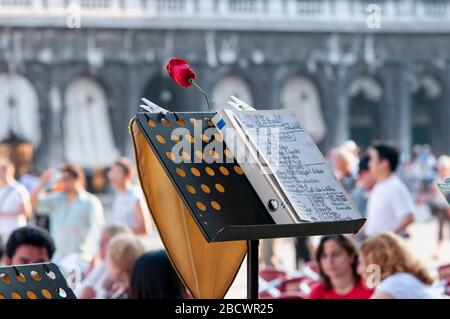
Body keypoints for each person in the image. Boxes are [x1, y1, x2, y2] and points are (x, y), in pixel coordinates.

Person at [30, 164, 105, 263]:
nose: (63, 182)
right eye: (62, 179)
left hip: (81, 258)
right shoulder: (56, 199)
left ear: (77, 178)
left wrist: (95, 255)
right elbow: (34, 202)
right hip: (58, 258)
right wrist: (43, 181)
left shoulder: (90, 202)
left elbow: (98, 229)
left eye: (66, 178)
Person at [359, 232, 440, 299]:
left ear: (376, 263)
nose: (359, 270)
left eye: (362, 263)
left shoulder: (394, 284)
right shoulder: (402, 279)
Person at [364, 143, 415, 238]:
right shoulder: (379, 185)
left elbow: (409, 217)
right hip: (373, 244)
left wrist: (387, 238)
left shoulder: (395, 187)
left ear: (384, 163)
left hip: (385, 248)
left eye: (372, 159)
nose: (369, 164)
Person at [308, 235, 373, 299]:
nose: (330, 261)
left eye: (336, 254)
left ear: (351, 256)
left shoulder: (370, 288)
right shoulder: (317, 293)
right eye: (324, 256)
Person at [78, 225, 132, 299]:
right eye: (100, 241)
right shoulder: (103, 264)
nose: (100, 244)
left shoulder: (115, 270)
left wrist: (104, 290)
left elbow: (85, 294)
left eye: (105, 241)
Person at [107, 158, 150, 235]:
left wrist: (117, 232)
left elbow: (143, 228)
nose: (112, 175)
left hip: (132, 244)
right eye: (112, 171)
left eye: (117, 172)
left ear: (128, 174)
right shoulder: (119, 195)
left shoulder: (135, 195)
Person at [0, 158, 32, 243]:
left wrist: (3, 214)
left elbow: (27, 212)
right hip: (3, 232)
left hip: (15, 231)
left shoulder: (19, 190)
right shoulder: (1, 189)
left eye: (2, 171)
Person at [104, 233, 146, 299]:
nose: (106, 265)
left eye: (108, 261)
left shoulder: (128, 294)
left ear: (118, 267)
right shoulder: (142, 287)